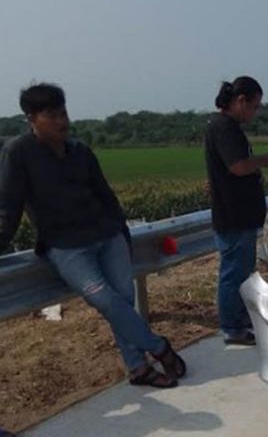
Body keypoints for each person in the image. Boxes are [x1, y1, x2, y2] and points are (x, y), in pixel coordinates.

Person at [0, 83, 185, 388]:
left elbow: (106, 196)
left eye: (63, 112)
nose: (62, 121)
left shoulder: (80, 151)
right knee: (107, 301)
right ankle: (159, 347)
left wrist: (121, 233)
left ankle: (138, 369)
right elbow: (8, 207)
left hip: (107, 236)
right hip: (65, 246)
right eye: (52, 115)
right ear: (31, 118)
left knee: (124, 302)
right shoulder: (19, 153)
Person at [204, 76, 268, 345]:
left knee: (242, 271)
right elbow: (237, 166)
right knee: (233, 273)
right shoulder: (224, 128)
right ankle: (231, 326)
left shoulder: (226, 126)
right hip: (233, 215)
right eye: (254, 106)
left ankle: (239, 316)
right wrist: (263, 161)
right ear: (240, 101)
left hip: (241, 214)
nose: (254, 112)